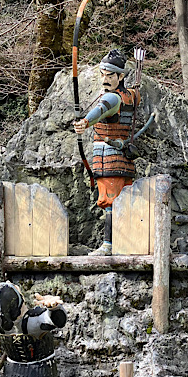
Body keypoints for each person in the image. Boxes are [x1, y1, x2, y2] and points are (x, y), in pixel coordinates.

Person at [73, 49, 142, 256]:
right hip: (124, 159)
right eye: (102, 75)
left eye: (110, 76)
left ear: (120, 77)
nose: (104, 80)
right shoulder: (131, 95)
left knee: (110, 203)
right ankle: (126, 245)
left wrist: (85, 122)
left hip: (109, 160)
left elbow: (101, 109)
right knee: (122, 202)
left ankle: (108, 246)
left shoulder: (113, 98)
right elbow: (135, 94)